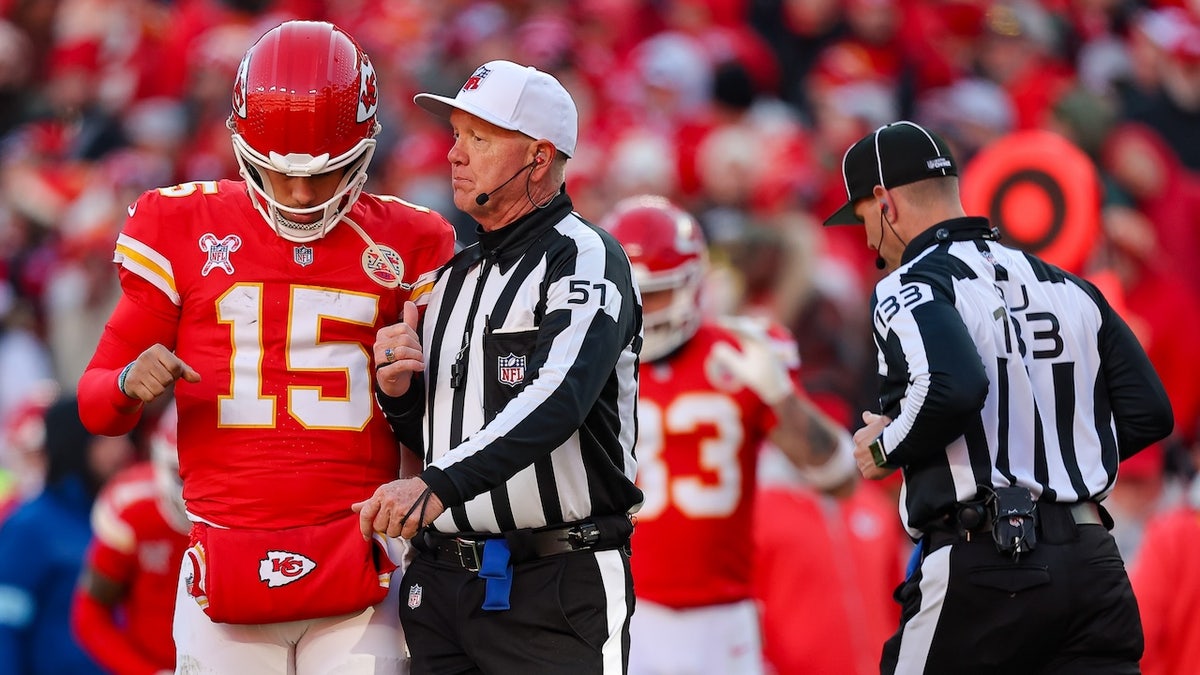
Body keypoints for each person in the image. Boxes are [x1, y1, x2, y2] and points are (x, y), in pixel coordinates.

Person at [75, 21, 456, 675]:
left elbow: (444, 421)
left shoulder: (412, 241)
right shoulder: (177, 226)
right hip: (225, 566)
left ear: (364, 147)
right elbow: (95, 406)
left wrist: (411, 381)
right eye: (279, 175)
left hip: (363, 563)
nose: (302, 194)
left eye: (326, 172)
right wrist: (125, 385)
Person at [823, 120, 1175, 674]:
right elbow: (1150, 414)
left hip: (987, 560)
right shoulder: (1068, 284)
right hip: (1094, 562)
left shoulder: (911, 282)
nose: (866, 238)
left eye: (864, 216)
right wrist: (1057, 462)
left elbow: (955, 386)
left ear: (885, 203)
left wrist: (885, 447)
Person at [354, 59, 643, 673]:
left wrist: (436, 486)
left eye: (479, 138)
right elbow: (442, 440)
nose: (455, 154)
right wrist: (403, 396)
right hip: (442, 581)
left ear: (539, 157)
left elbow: (559, 398)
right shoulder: (448, 280)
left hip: (556, 585)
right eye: (456, 135)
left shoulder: (586, 259)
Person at [599, 194, 854, 675]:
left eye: (659, 292)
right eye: (633, 293)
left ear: (695, 283)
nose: (644, 309)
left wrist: (780, 396)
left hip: (724, 615)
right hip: (621, 608)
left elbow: (839, 477)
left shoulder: (744, 353)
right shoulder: (588, 365)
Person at [0, 395, 135, 674]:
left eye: (123, 436)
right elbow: (5, 627)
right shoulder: (30, 526)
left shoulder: (123, 519)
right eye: (106, 438)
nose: (122, 449)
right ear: (75, 442)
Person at [71, 401, 190, 675]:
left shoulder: (267, 505)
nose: (192, 487)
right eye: (182, 474)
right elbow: (90, 614)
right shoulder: (133, 507)